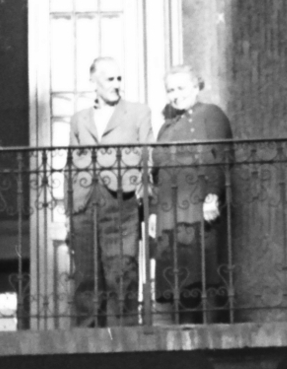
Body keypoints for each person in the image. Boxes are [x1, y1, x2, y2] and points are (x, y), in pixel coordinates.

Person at [59, 57, 151, 326]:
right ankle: (87, 338)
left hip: (121, 198)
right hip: (84, 201)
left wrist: (144, 186)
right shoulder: (79, 119)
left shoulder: (137, 112)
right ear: (94, 81)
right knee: (86, 274)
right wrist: (68, 207)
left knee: (121, 269)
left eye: (119, 78)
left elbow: (149, 152)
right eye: (110, 79)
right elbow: (70, 163)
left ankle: (122, 335)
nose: (117, 85)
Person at [151, 64, 234, 324]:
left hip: (199, 203)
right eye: (170, 90)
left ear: (196, 87)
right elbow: (156, 173)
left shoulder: (211, 114)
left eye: (181, 88)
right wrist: (154, 212)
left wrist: (212, 195)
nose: (175, 95)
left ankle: (210, 329)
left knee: (204, 265)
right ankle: (187, 326)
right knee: (179, 269)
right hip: (170, 209)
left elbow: (221, 155)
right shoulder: (165, 128)